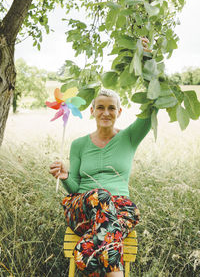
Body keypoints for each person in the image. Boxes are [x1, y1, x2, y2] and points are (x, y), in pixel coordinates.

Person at [50, 83, 154, 276]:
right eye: (100, 107)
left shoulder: (129, 137)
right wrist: (65, 177)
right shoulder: (79, 144)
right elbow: (75, 187)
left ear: (119, 111)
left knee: (126, 214)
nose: (106, 112)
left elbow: (151, 109)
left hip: (119, 208)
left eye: (111, 108)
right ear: (92, 111)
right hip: (83, 209)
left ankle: (86, 257)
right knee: (101, 196)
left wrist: (147, 66)